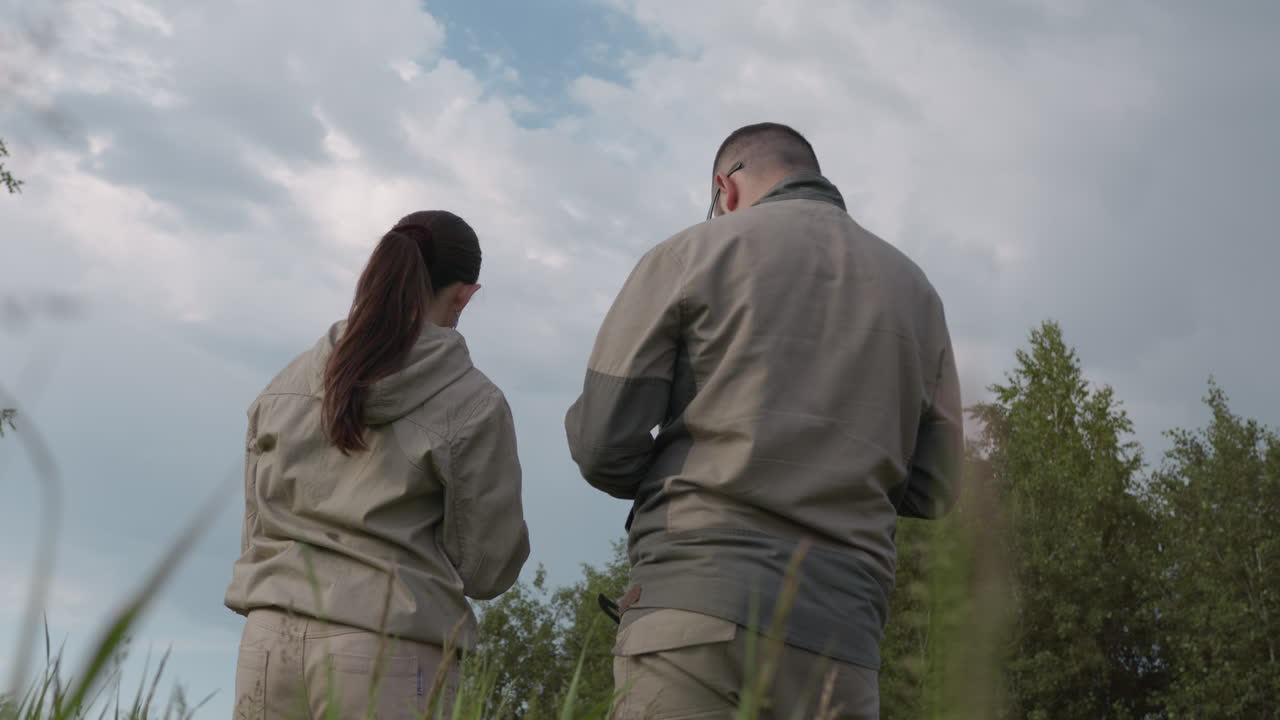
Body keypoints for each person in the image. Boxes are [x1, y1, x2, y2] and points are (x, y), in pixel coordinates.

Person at [565, 123, 963, 719]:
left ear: (724, 189)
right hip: (844, 638)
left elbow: (602, 442)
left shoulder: (689, 254)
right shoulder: (917, 292)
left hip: (695, 609)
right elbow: (937, 485)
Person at [226, 210, 530, 719]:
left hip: (268, 642)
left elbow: (257, 527)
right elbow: (487, 569)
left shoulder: (284, 384)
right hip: (389, 647)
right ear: (465, 294)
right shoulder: (473, 402)